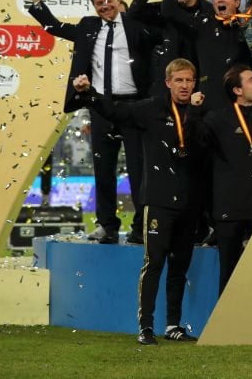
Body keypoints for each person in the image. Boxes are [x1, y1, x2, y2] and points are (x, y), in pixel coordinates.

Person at [72, 59, 205, 344]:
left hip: (190, 201)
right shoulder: (151, 109)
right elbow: (115, 111)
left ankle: (173, 325)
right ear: (168, 82)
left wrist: (194, 112)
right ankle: (145, 327)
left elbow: (199, 144)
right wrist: (89, 93)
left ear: (195, 83)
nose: (184, 86)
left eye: (189, 80)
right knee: (154, 262)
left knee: (180, 265)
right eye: (179, 80)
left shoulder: (201, 111)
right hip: (158, 200)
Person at [22, 0, 157, 244]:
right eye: (98, 3)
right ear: (94, 7)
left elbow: (148, 19)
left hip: (134, 107)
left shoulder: (134, 25)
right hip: (101, 106)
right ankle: (107, 225)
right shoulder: (88, 27)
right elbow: (54, 26)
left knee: (139, 169)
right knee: (103, 168)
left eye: (108, 0)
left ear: (118, 1)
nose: (104, 6)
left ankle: (140, 227)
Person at [203, 65, 252, 292]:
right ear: (237, 89)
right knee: (229, 275)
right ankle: (225, 326)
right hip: (229, 209)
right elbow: (198, 153)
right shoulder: (216, 120)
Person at [162, 0, 251, 111]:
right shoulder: (202, 24)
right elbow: (169, 10)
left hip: (239, 100)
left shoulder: (248, 29)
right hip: (209, 100)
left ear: (237, 2)